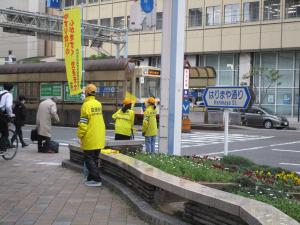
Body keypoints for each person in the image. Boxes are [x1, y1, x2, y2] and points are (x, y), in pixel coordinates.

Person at [77, 84, 106, 187]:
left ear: (86, 93)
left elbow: (83, 123)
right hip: (99, 135)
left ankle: (97, 179)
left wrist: (80, 135)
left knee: (88, 158)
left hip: (90, 136)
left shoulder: (86, 105)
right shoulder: (98, 104)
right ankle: (91, 178)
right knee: (95, 158)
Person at [0, 83, 15, 149]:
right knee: (5, 133)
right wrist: (11, 114)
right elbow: (8, 106)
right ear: (11, 89)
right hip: (1, 114)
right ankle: (2, 149)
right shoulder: (8, 95)